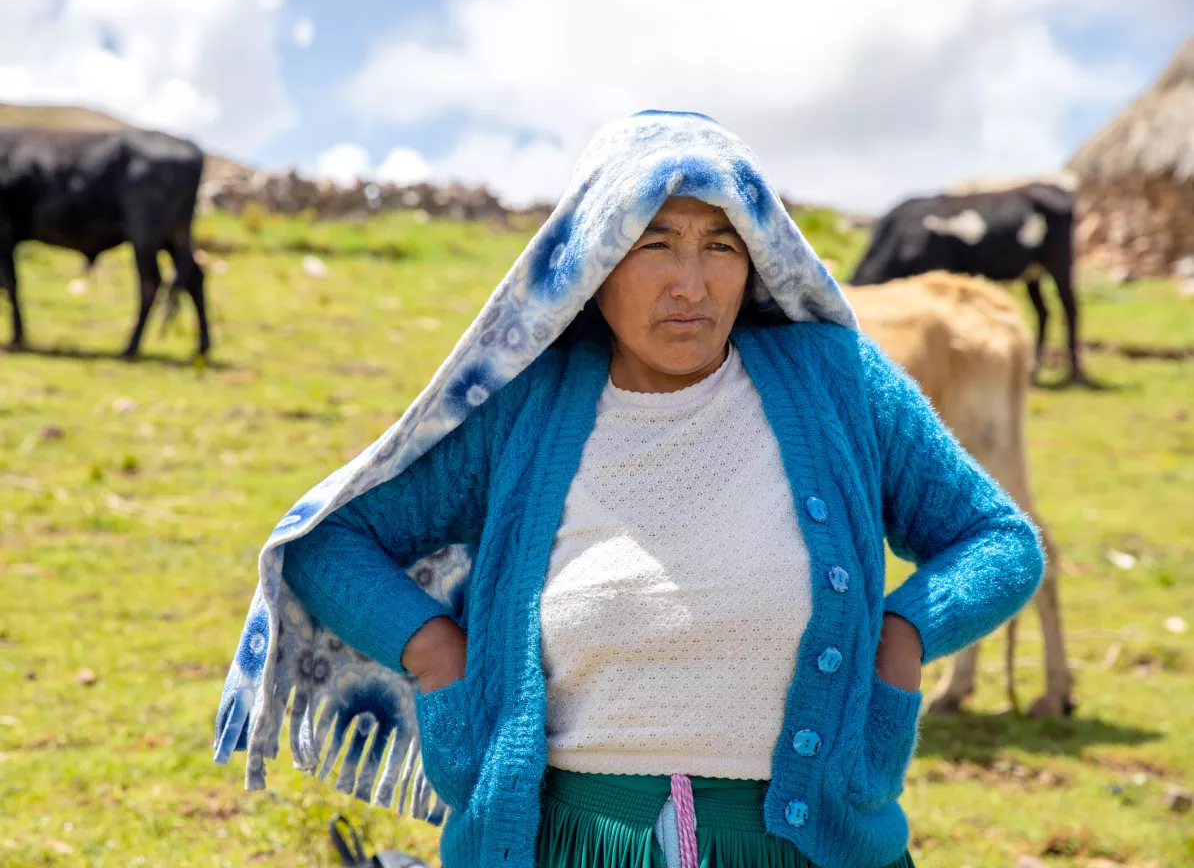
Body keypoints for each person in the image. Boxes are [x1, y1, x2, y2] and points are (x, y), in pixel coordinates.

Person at [214, 111, 1045, 868]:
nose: (693, 283)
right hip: (566, 847)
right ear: (593, 262)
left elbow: (999, 539)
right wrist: (437, 652)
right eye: (655, 243)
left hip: (813, 848)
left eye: (721, 244)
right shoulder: (527, 409)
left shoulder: (837, 384)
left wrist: (900, 636)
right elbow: (326, 540)